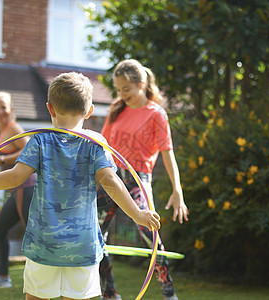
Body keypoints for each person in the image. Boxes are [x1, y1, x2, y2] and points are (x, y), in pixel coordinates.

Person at [0, 72, 161, 300]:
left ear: (50, 109)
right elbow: (111, 182)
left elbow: (15, 177)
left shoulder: (40, 140)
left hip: (44, 244)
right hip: (82, 246)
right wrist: (137, 214)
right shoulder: (95, 143)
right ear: (90, 110)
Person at [97, 59, 189, 300]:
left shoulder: (156, 114)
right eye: (118, 89)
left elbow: (168, 154)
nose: (121, 94)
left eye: (126, 89)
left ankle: (170, 296)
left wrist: (177, 190)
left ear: (141, 84)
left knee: (151, 234)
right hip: (110, 178)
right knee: (94, 235)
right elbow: (101, 146)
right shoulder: (117, 109)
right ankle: (110, 294)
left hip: (139, 181)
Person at [0, 91, 36, 289]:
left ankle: (44, 280)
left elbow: (29, 149)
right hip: (17, 189)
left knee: (33, 234)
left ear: (11, 109)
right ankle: (3, 278)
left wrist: (1, 159)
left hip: (26, 187)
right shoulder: (2, 130)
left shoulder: (14, 128)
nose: (0, 111)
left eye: (3, 107)